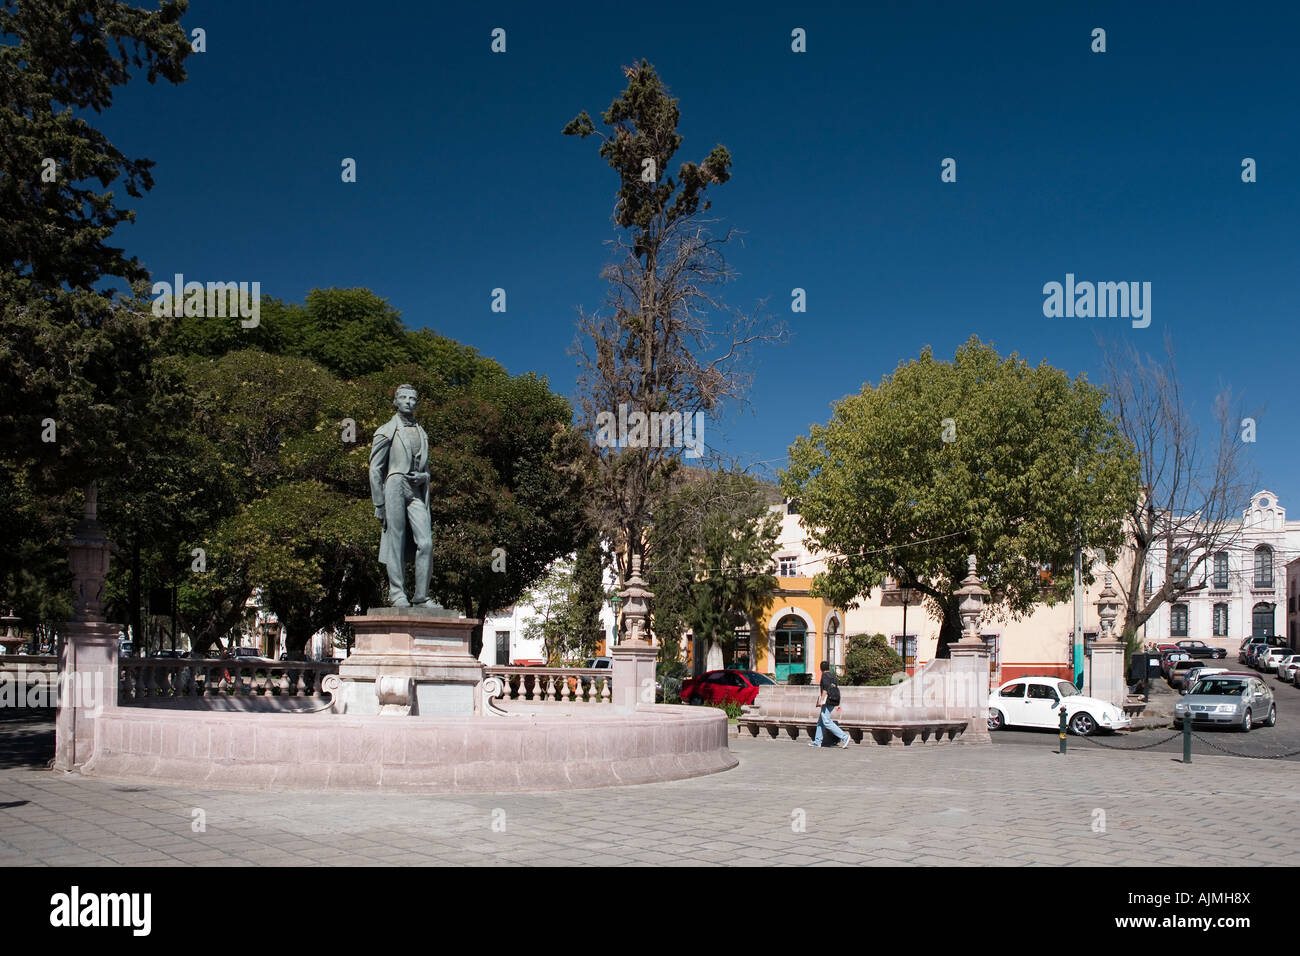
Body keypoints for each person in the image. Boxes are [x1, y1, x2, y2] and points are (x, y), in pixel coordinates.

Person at [811, 660, 850, 748]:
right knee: (821, 721)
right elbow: (835, 689)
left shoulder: (824, 676)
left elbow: (825, 689)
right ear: (828, 667)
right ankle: (817, 741)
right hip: (834, 700)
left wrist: (821, 701)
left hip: (827, 700)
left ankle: (844, 737)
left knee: (826, 721)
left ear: (821, 668)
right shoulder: (833, 676)